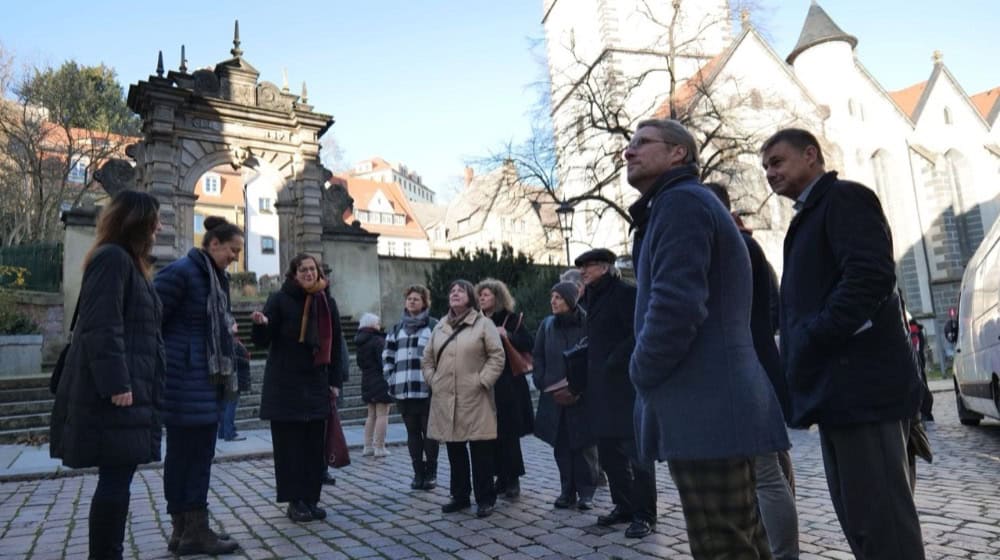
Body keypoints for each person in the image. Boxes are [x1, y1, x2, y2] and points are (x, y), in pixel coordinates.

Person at [626, 118, 789, 558]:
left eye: (642, 143)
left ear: (679, 153)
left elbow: (677, 306)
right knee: (743, 538)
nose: (629, 151)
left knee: (722, 544)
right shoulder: (680, 202)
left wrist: (641, 370)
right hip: (714, 405)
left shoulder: (680, 203)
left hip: (707, 407)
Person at [762, 127, 925, 559]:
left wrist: (815, 336)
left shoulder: (844, 198)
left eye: (777, 162)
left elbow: (870, 276)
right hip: (840, 393)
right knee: (863, 522)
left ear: (810, 155)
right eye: (765, 167)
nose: (769, 173)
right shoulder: (811, 212)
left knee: (883, 525)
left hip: (863, 390)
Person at [49, 191, 164, 560]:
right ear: (137, 222)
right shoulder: (113, 259)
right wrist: (117, 383)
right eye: (155, 220)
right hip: (116, 391)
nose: (159, 227)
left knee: (118, 478)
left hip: (130, 387)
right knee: (115, 480)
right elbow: (102, 325)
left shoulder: (128, 262)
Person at [705, 181, 799, 560]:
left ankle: (782, 554)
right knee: (770, 467)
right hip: (755, 364)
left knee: (765, 472)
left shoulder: (735, 246)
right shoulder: (745, 244)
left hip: (746, 369)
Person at [155, 216, 242, 556]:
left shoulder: (214, 277)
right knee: (188, 456)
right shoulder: (182, 272)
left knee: (194, 455)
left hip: (204, 380)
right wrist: (180, 357)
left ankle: (187, 530)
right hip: (185, 379)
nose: (235, 256)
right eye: (232, 250)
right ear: (214, 244)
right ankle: (190, 530)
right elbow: (151, 320)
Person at [250, 253, 343, 523]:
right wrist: (260, 325)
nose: (308, 273)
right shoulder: (279, 300)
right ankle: (295, 501)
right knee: (290, 449)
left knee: (314, 448)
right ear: (294, 273)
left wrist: (335, 381)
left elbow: (336, 345)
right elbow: (262, 340)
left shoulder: (327, 302)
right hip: (285, 385)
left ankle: (311, 499)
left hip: (316, 384)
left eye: (312, 269)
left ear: (319, 273)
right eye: (302, 269)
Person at [574, 248, 656, 539]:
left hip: (624, 386)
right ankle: (624, 505)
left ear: (606, 267)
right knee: (609, 455)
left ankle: (645, 514)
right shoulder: (590, 297)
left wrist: (615, 359)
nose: (583, 270)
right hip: (600, 389)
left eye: (589, 265)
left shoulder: (625, 293)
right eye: (581, 266)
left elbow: (639, 331)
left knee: (636, 454)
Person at [422, 280, 505, 518]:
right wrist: (433, 380)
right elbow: (426, 359)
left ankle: (485, 498)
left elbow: (497, 357)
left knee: (480, 450)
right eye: (452, 290)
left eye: (460, 290)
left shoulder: (483, 324)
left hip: (475, 397)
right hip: (446, 397)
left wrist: (482, 381)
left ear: (470, 296)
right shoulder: (440, 327)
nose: (455, 293)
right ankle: (459, 496)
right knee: (454, 449)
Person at [532, 282, 599, 510]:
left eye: (559, 297)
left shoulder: (587, 322)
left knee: (584, 445)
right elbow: (538, 354)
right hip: (554, 395)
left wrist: (583, 386)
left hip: (582, 395)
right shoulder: (547, 325)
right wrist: (540, 380)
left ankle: (587, 493)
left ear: (571, 300)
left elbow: (593, 355)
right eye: (552, 297)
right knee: (561, 445)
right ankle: (566, 491)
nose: (553, 301)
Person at [475, 278, 534, 499]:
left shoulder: (510, 319)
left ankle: (513, 479)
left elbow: (528, 343)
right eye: (480, 295)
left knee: (509, 434)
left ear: (498, 298)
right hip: (486, 383)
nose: (482, 298)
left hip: (508, 384)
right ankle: (499, 477)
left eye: (486, 295)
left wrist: (507, 334)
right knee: (491, 434)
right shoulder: (477, 321)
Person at [383, 285, 440, 490]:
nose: (412, 301)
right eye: (409, 298)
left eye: (417, 298)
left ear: (425, 302)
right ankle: (418, 473)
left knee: (430, 433)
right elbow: (387, 357)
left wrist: (435, 381)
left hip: (427, 390)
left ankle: (431, 473)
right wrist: (391, 379)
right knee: (413, 432)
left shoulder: (434, 327)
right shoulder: (396, 329)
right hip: (403, 391)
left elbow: (440, 356)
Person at [357, 312, 391, 457]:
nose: (379, 325)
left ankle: (367, 446)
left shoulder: (360, 341)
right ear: (371, 324)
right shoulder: (377, 340)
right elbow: (383, 361)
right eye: (377, 322)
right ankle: (379, 447)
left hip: (367, 380)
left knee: (371, 415)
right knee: (382, 414)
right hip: (380, 380)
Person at [218, 331, 251, 442]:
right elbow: (234, 360)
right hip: (234, 379)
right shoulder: (232, 343)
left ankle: (223, 431)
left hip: (230, 379)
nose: (237, 325)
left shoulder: (228, 342)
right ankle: (229, 432)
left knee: (225, 406)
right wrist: (246, 359)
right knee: (230, 406)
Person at [909, 318, 934, 422]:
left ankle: (919, 412)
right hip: (920, 362)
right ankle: (927, 414)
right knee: (924, 386)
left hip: (911, 363)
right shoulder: (919, 332)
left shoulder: (908, 330)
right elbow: (922, 346)